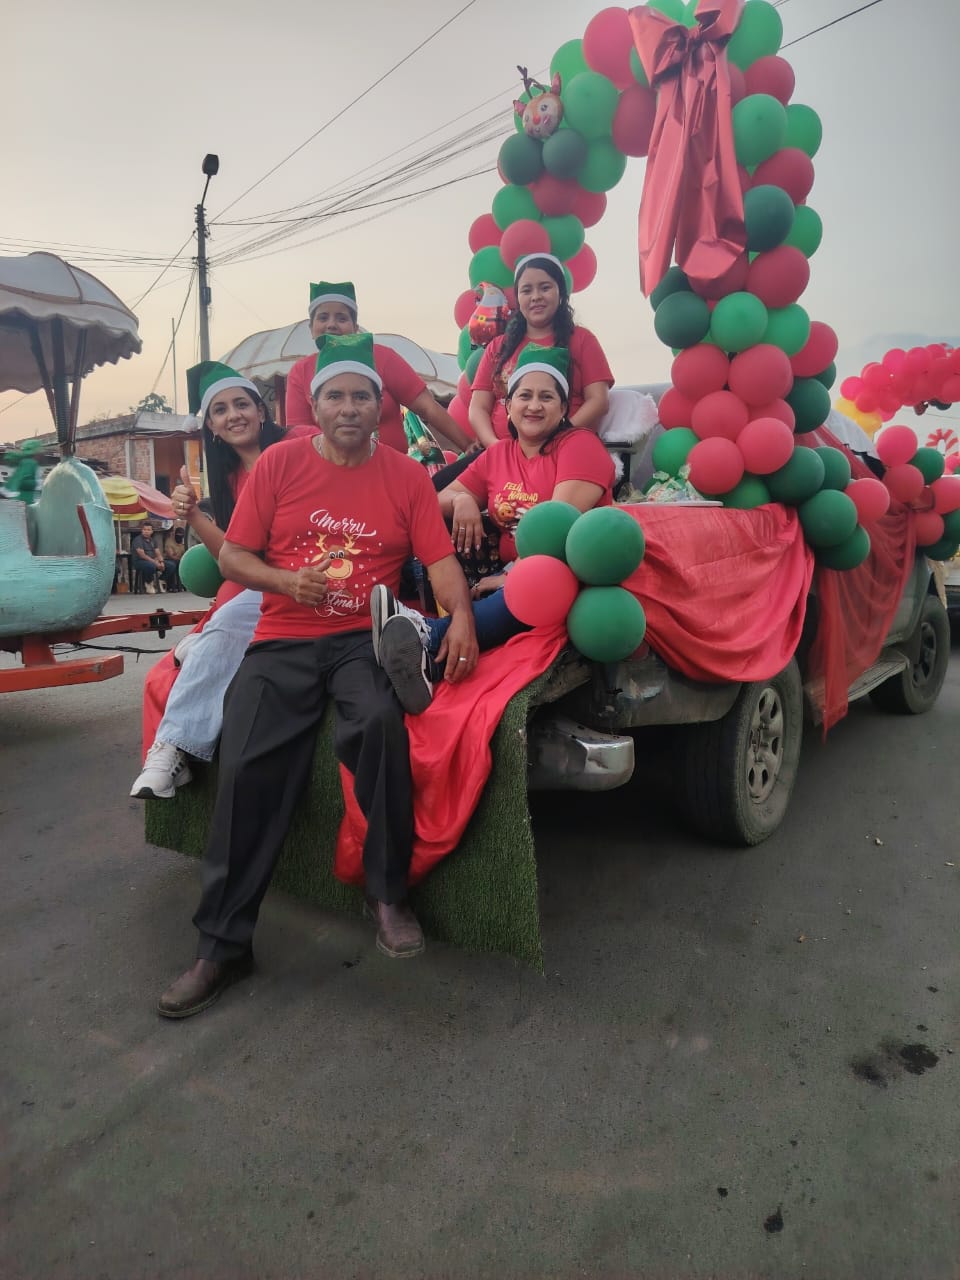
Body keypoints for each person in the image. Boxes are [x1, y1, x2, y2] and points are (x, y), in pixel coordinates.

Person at [157, 332, 478, 1019]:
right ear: (316, 404)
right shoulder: (279, 463)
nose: (349, 406)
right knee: (247, 761)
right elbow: (234, 558)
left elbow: (440, 561)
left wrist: (463, 621)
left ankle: (387, 895)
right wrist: (283, 581)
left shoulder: (406, 476)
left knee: (381, 726)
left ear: (380, 404)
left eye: (362, 395)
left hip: (363, 638)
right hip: (282, 638)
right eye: (336, 395)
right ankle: (222, 947)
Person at [371, 346, 614, 687]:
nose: (534, 405)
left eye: (546, 397)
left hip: (564, 569)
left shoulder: (579, 445)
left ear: (563, 409)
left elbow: (557, 531)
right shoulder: (499, 454)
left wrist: (510, 577)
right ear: (508, 406)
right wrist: (463, 501)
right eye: (524, 396)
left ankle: (426, 636)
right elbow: (437, 500)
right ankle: (423, 658)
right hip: (508, 570)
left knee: (535, 584)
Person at [130, 362, 285, 799]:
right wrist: (193, 514)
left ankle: (174, 740)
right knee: (221, 624)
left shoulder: (298, 445)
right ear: (211, 427)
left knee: (227, 623)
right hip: (268, 580)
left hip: (319, 567)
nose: (233, 415)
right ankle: (171, 748)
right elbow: (234, 556)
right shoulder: (230, 478)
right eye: (220, 410)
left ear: (261, 411)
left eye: (241, 404)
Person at [284, 280, 474, 454]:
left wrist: (467, 445)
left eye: (341, 318)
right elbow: (299, 436)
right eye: (323, 317)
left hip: (392, 471)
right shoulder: (300, 372)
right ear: (311, 328)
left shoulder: (383, 358)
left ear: (355, 327)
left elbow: (428, 408)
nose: (331, 325)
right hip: (327, 474)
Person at [469, 253, 614, 445]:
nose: (536, 297)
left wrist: (556, 439)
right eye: (526, 290)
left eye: (545, 288)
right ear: (518, 297)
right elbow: (478, 407)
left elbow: (598, 401)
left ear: (561, 293)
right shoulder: (498, 346)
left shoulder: (582, 340)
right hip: (501, 452)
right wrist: (495, 447)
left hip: (564, 447)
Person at [130, 521, 178, 593]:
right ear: (142, 530)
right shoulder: (138, 540)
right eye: (144, 529)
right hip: (140, 561)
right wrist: (155, 562)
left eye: (148, 530)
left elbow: (158, 553)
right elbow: (142, 555)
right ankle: (148, 582)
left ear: (152, 531)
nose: (146, 531)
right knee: (151, 566)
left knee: (171, 565)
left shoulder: (153, 540)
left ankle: (161, 580)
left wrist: (161, 562)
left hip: (153, 560)